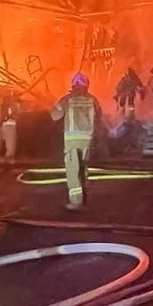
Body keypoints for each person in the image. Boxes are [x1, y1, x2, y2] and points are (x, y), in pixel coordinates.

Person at [50, 73, 102, 211]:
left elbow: (54, 116)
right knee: (83, 167)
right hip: (87, 139)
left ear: (73, 85)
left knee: (73, 170)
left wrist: (55, 105)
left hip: (72, 140)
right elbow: (99, 115)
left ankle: (76, 202)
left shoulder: (67, 99)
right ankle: (85, 195)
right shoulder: (93, 100)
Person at [0, 90, 21, 161]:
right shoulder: (13, 104)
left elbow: (2, 116)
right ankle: (8, 162)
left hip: (4, 125)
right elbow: (12, 115)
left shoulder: (5, 104)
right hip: (10, 126)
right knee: (11, 147)